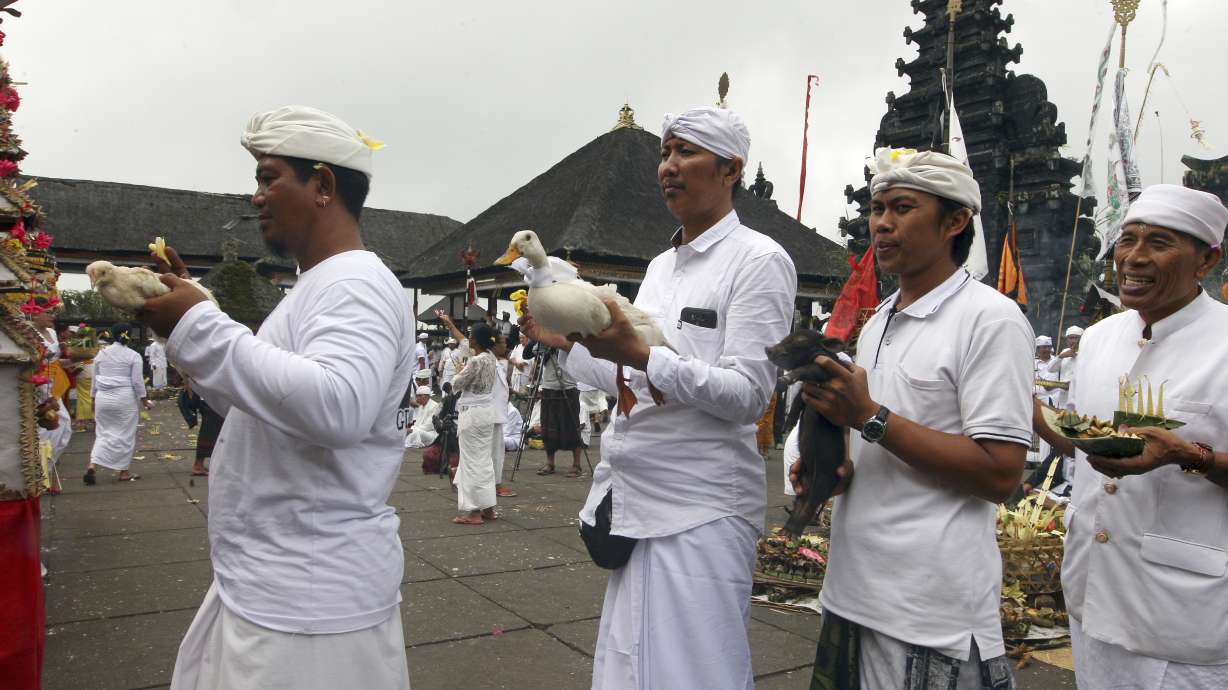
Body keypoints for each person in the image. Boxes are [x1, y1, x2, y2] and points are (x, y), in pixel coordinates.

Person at [138, 106, 413, 689]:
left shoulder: (354, 282)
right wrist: (187, 324)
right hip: (279, 584)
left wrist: (202, 326)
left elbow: (337, 407)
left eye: (270, 178)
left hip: (309, 600)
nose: (257, 197)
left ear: (324, 185)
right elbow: (262, 407)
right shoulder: (317, 285)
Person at [523, 105, 796, 689]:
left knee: (697, 672)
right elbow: (635, 385)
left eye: (686, 152)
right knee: (630, 667)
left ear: (730, 170)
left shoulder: (759, 261)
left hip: (702, 506)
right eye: (665, 153)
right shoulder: (659, 268)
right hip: (637, 498)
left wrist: (647, 355)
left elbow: (751, 395)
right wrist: (564, 344)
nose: (669, 167)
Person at [793, 147, 1031, 689]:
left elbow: (1001, 473)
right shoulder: (880, 318)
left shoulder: (990, 320)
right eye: (877, 209)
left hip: (929, 609)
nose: (882, 224)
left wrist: (870, 417)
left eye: (902, 208)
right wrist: (838, 463)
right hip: (854, 588)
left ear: (955, 221)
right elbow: (887, 432)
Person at [1034, 184, 1228, 688]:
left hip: (1184, 616)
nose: (1133, 258)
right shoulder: (1099, 339)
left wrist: (1189, 455)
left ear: (1206, 260)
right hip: (1091, 592)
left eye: (1159, 242)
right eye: (1127, 240)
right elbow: (1081, 438)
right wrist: (1024, 409)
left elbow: (1190, 455)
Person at [438, 315, 501, 525]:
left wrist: (457, 372)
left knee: (472, 462)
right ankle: (489, 508)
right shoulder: (490, 357)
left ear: (476, 340)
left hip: (472, 414)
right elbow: (463, 342)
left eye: (471, 336)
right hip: (485, 413)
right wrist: (450, 325)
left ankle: (473, 511)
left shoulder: (475, 361)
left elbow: (457, 382)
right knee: (483, 461)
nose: (468, 339)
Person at [84, 323, 150, 484]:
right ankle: (123, 471)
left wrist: (92, 399)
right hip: (124, 399)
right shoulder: (133, 355)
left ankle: (92, 464)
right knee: (125, 434)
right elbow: (137, 382)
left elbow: (95, 379)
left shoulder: (101, 354)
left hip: (103, 398)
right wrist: (144, 399)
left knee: (103, 433)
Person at [533, 343, 583, 477]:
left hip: (568, 386)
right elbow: (529, 352)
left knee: (572, 426)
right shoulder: (543, 340)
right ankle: (550, 463)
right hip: (549, 386)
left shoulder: (569, 339)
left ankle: (576, 464)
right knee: (548, 427)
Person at [1045, 325, 1082, 410]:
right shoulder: (1064, 352)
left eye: (1076, 338)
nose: (1073, 341)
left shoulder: (1086, 353)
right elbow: (1050, 369)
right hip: (1063, 400)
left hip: (1079, 399)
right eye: (1070, 338)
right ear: (1067, 340)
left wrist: (1072, 384)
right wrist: (1061, 356)